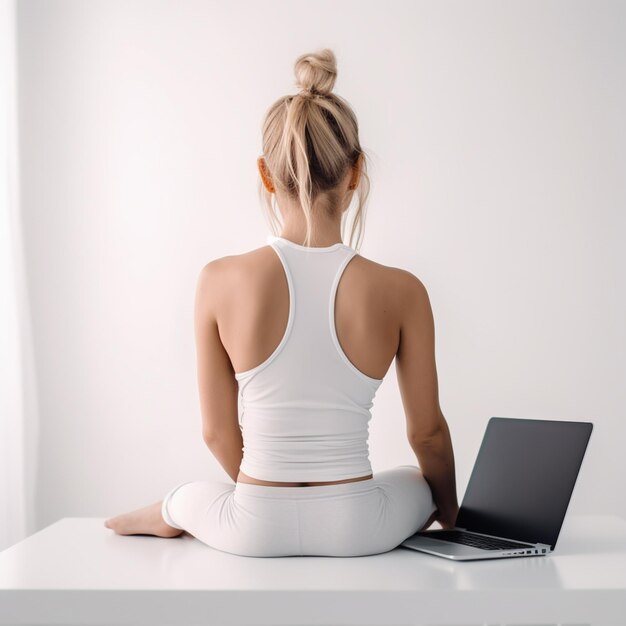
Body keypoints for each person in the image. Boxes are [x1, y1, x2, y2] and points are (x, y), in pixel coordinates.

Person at [104, 48, 459, 557]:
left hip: (253, 527)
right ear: (355, 172)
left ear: (266, 175)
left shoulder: (219, 280)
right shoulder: (403, 290)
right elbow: (427, 433)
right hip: (358, 527)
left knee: (187, 498)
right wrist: (448, 515)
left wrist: (269, 498)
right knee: (413, 482)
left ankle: (166, 512)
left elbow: (217, 432)